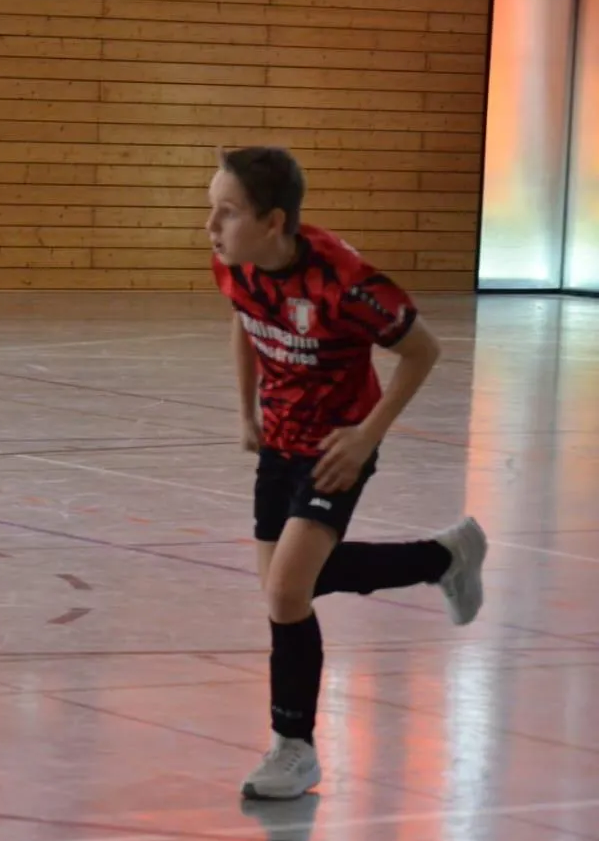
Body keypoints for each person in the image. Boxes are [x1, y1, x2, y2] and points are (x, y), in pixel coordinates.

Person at [207, 145, 488, 800]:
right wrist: (246, 410)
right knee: (284, 588)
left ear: (273, 222)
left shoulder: (346, 283)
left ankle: (294, 748)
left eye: (227, 212)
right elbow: (245, 322)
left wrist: (366, 437)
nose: (211, 226)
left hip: (335, 447)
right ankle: (442, 557)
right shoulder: (235, 265)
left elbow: (423, 351)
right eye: (211, 209)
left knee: (286, 594)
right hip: (280, 442)